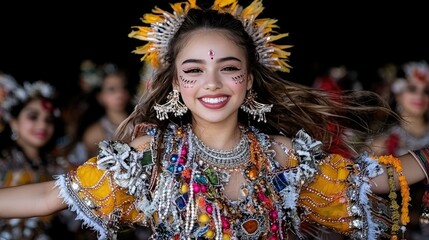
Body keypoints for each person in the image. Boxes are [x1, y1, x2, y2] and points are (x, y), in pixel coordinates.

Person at [0, 1, 429, 239]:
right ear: (173, 85)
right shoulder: (150, 157)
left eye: (228, 67)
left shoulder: (283, 153)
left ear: (250, 81)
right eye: (193, 70)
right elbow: (47, 199)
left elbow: (370, 180)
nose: (212, 83)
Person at [0, 80, 73, 239]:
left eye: (49, 120)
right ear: (13, 122)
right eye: (33, 117)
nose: (42, 125)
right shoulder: (3, 161)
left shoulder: (57, 164)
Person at [370, 60, 429, 239]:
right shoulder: (382, 141)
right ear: (397, 94)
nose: (420, 96)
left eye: (426, 91)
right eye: (412, 89)